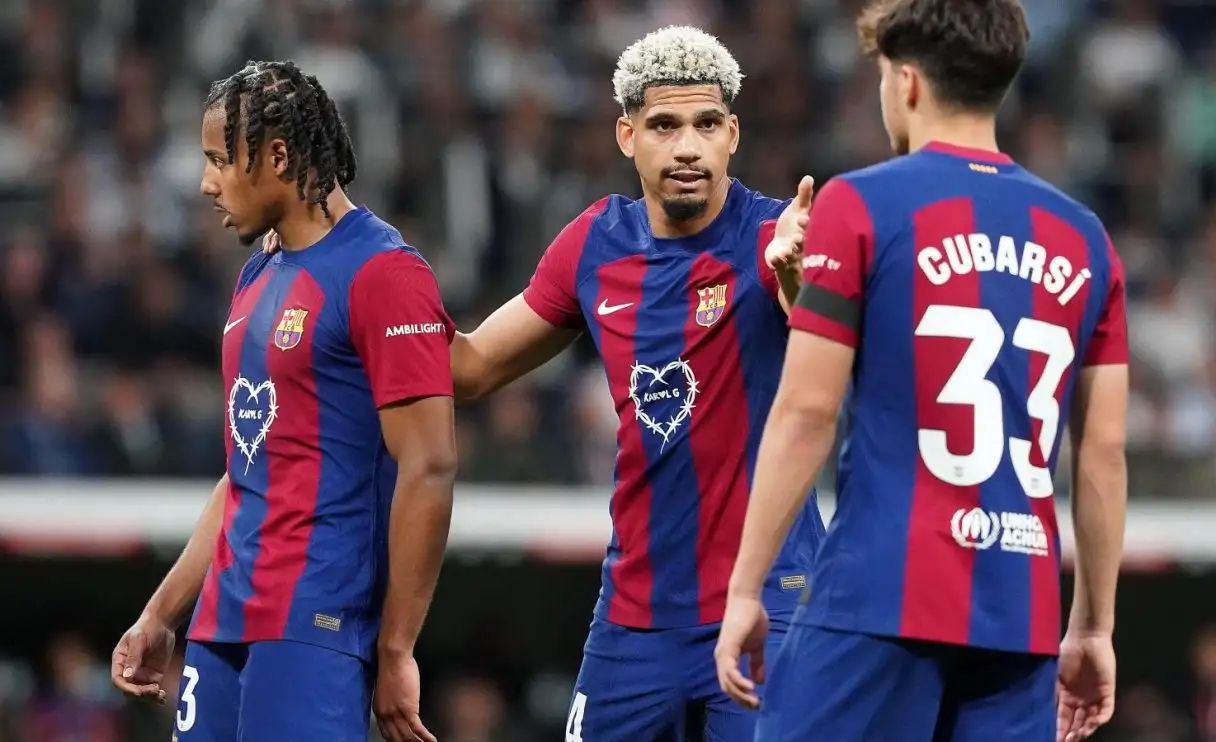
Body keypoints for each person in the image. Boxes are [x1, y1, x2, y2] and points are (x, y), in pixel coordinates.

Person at [274, 24, 825, 740]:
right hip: (634, 619)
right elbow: (467, 368)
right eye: (664, 125)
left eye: (705, 124)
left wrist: (797, 283)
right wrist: (360, 259)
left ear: (733, 134)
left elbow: (821, 335)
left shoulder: (781, 237)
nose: (687, 146)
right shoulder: (597, 243)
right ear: (627, 135)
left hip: (767, 604)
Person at [712, 2, 1128, 741]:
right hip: (1020, 619)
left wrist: (747, 585)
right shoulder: (1085, 237)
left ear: (905, 82)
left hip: (879, 600)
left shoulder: (862, 202)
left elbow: (807, 410)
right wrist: (1093, 627)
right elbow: (1099, 454)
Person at [109, 60, 459, 742]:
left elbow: (430, 465)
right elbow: (248, 468)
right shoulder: (256, 274)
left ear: (275, 155)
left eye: (218, 160)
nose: (207, 183)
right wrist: (161, 615)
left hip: (315, 625)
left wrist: (396, 648)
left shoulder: (384, 273)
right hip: (219, 625)